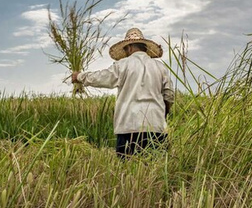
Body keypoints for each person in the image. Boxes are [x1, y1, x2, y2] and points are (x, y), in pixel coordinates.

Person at [72, 27, 175, 158]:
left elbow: (103, 77)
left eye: (126, 50)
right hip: (156, 127)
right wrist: (163, 113)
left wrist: (80, 77)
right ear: (144, 47)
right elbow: (169, 95)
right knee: (155, 170)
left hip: (129, 127)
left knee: (128, 171)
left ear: (130, 47)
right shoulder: (160, 67)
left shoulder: (123, 65)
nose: (126, 53)